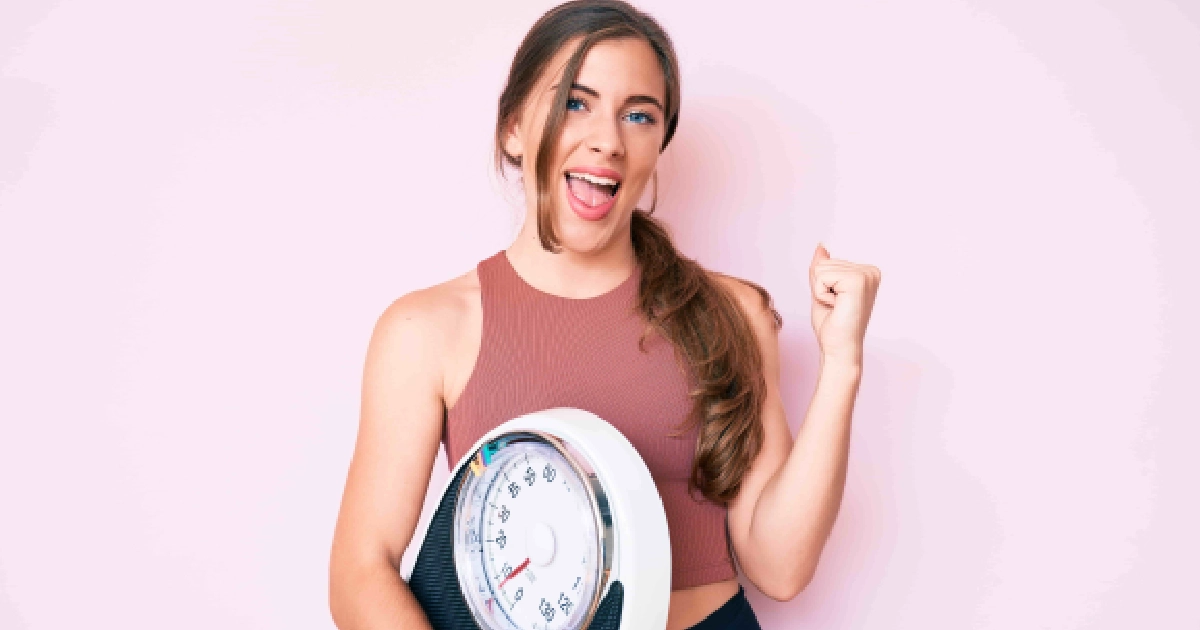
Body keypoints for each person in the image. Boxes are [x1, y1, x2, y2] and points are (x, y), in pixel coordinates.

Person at [328, 1, 881, 628]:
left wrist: (842, 364)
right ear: (512, 127)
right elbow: (360, 571)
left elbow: (780, 567)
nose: (608, 140)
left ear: (658, 145)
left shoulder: (730, 314)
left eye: (639, 115)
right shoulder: (426, 331)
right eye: (574, 102)